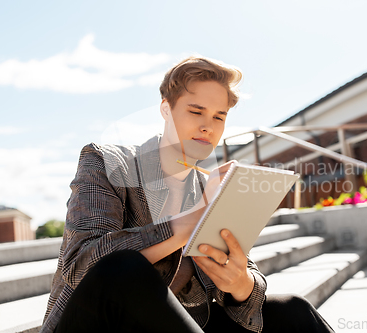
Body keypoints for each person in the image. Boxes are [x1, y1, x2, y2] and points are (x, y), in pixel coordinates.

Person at [41, 56, 335, 333]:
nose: (208, 126)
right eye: (196, 111)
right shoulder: (108, 162)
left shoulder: (208, 184)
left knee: (294, 312)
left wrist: (241, 283)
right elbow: (82, 267)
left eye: (219, 117)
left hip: (182, 322)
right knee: (125, 266)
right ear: (166, 108)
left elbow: (248, 274)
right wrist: (198, 217)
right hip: (100, 323)